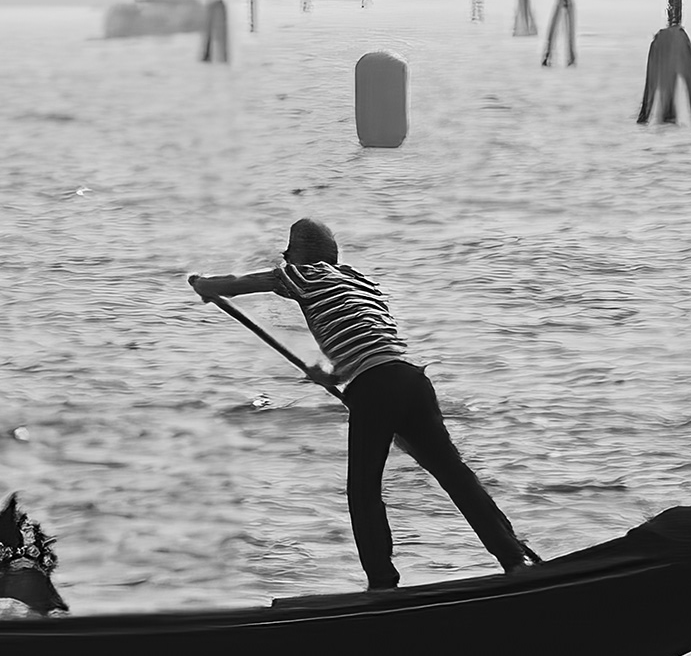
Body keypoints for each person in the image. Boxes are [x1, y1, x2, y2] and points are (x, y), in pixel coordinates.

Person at [191, 218, 534, 591]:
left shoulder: (298, 276)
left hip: (374, 389)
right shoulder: (360, 281)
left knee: (364, 491)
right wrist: (333, 375)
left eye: (288, 255)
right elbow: (366, 340)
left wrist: (205, 285)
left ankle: (382, 583)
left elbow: (236, 285)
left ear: (296, 255)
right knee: (454, 475)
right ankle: (514, 559)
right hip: (410, 380)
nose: (285, 262)